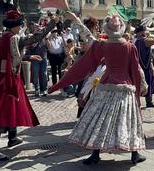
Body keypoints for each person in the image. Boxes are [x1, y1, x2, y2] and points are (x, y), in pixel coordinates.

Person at [48, 14, 147, 165]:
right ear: (122, 29)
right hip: (124, 87)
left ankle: (95, 154)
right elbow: (136, 69)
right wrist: (143, 85)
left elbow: (87, 36)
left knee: (100, 120)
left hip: (106, 85)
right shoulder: (129, 46)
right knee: (128, 120)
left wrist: (75, 19)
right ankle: (134, 154)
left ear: (107, 30)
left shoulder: (103, 45)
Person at [0, 10, 59, 161]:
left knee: (13, 108)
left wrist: (28, 56)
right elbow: (36, 38)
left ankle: (13, 138)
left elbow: (10, 57)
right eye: (20, 25)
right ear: (15, 25)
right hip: (9, 79)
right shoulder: (13, 37)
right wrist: (53, 23)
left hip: (6, 76)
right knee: (0, 113)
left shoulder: (5, 36)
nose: (21, 27)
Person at [134, 25, 154, 108]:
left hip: (139, 66)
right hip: (145, 67)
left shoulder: (136, 41)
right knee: (148, 82)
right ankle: (149, 102)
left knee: (140, 83)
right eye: (145, 30)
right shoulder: (145, 41)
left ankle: (139, 102)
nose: (146, 32)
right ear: (141, 32)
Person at [25, 25, 48, 97]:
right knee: (36, 75)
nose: (39, 31)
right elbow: (30, 47)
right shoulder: (32, 38)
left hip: (43, 58)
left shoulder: (44, 38)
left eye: (40, 30)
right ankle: (37, 90)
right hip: (35, 59)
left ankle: (44, 90)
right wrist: (36, 40)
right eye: (37, 30)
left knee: (44, 74)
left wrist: (47, 39)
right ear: (35, 30)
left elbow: (49, 47)